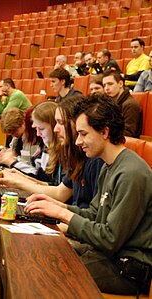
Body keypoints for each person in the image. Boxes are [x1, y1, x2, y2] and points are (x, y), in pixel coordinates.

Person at [24, 93, 152, 296]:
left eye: (83, 134)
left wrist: (64, 215)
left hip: (127, 269)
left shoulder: (131, 173)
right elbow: (94, 213)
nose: (77, 141)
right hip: (108, 257)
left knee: (45, 268)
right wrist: (60, 207)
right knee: (41, 252)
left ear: (105, 131)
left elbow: (110, 238)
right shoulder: (109, 167)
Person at [0, 95, 104, 208]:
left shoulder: (93, 159)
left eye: (60, 123)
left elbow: (61, 195)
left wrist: (19, 182)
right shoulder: (75, 154)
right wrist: (21, 179)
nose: (56, 129)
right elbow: (58, 189)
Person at [0, 102, 61, 185]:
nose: (38, 133)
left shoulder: (42, 142)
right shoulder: (46, 145)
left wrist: (14, 163)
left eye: (41, 128)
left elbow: (42, 179)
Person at [103, 69, 142, 138]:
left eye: (110, 84)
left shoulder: (130, 105)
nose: (106, 88)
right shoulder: (110, 103)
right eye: (104, 85)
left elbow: (128, 134)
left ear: (120, 84)